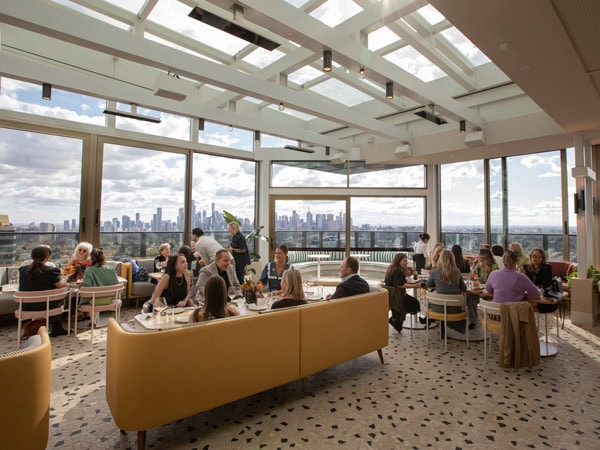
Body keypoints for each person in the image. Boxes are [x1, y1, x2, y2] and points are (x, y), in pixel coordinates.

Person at [19, 245, 70, 337]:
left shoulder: (23, 270)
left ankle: (29, 329)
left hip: (26, 306)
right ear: (47, 257)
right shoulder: (51, 271)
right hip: (47, 306)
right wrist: (66, 277)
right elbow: (60, 285)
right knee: (61, 296)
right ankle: (56, 328)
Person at [425, 249, 468, 333]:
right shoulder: (457, 272)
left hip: (437, 307)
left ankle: (429, 319)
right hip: (454, 308)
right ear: (453, 259)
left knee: (433, 294)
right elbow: (464, 288)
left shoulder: (435, 272)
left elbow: (428, 284)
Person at [384, 252, 421, 332]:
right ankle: (394, 320)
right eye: (404, 261)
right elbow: (399, 284)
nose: (406, 262)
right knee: (415, 304)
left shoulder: (391, 269)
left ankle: (395, 320)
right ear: (398, 261)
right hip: (397, 297)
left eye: (406, 261)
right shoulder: (397, 271)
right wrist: (414, 286)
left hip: (391, 296)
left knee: (411, 303)